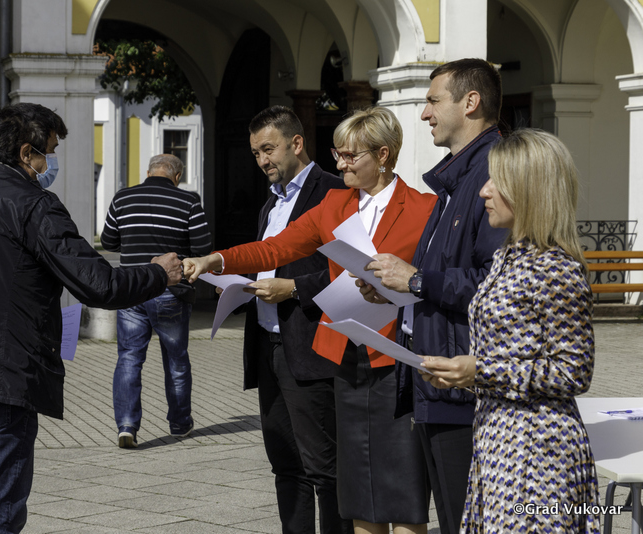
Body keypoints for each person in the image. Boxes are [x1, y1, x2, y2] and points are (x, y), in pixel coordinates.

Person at [0, 103, 182, 533]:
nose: (52, 164)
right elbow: (98, 284)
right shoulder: (32, 204)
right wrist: (158, 273)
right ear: (27, 153)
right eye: (51, 152)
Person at [185, 106, 437, 534]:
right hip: (345, 358)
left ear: (383, 155)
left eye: (350, 156)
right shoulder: (335, 204)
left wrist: (406, 284)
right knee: (357, 487)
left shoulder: (424, 207)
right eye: (338, 154)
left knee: (401, 487)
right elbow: (276, 248)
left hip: (396, 358)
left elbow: (431, 277)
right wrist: (217, 259)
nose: (340, 165)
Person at [420, 128, 602, 533]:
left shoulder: (555, 268)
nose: (483, 191)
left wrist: (480, 371)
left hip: (537, 453)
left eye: (495, 182)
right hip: (497, 440)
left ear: (528, 190)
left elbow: (573, 371)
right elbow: (508, 352)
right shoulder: (508, 257)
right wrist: (462, 373)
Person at [357, 58, 507, 534]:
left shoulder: (494, 174)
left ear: (470, 102)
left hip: (463, 383)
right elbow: (444, 276)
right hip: (436, 378)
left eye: (433, 101)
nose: (424, 113)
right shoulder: (454, 179)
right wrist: (394, 291)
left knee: (467, 520)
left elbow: (496, 284)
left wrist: (417, 281)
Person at [238, 105, 350, 534]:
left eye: (268, 149)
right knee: (285, 463)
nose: (262, 160)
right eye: (255, 153)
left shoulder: (334, 192)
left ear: (296, 143)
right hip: (268, 343)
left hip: (311, 345)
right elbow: (270, 260)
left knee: (324, 467)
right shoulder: (272, 202)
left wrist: (295, 288)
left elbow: (353, 270)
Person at [100, 154, 212, 448]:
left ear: (149, 172)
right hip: (170, 291)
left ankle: (126, 425)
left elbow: (109, 241)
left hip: (131, 289)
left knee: (128, 358)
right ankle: (180, 423)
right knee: (176, 360)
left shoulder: (122, 198)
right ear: (177, 177)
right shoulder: (188, 202)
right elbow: (203, 247)